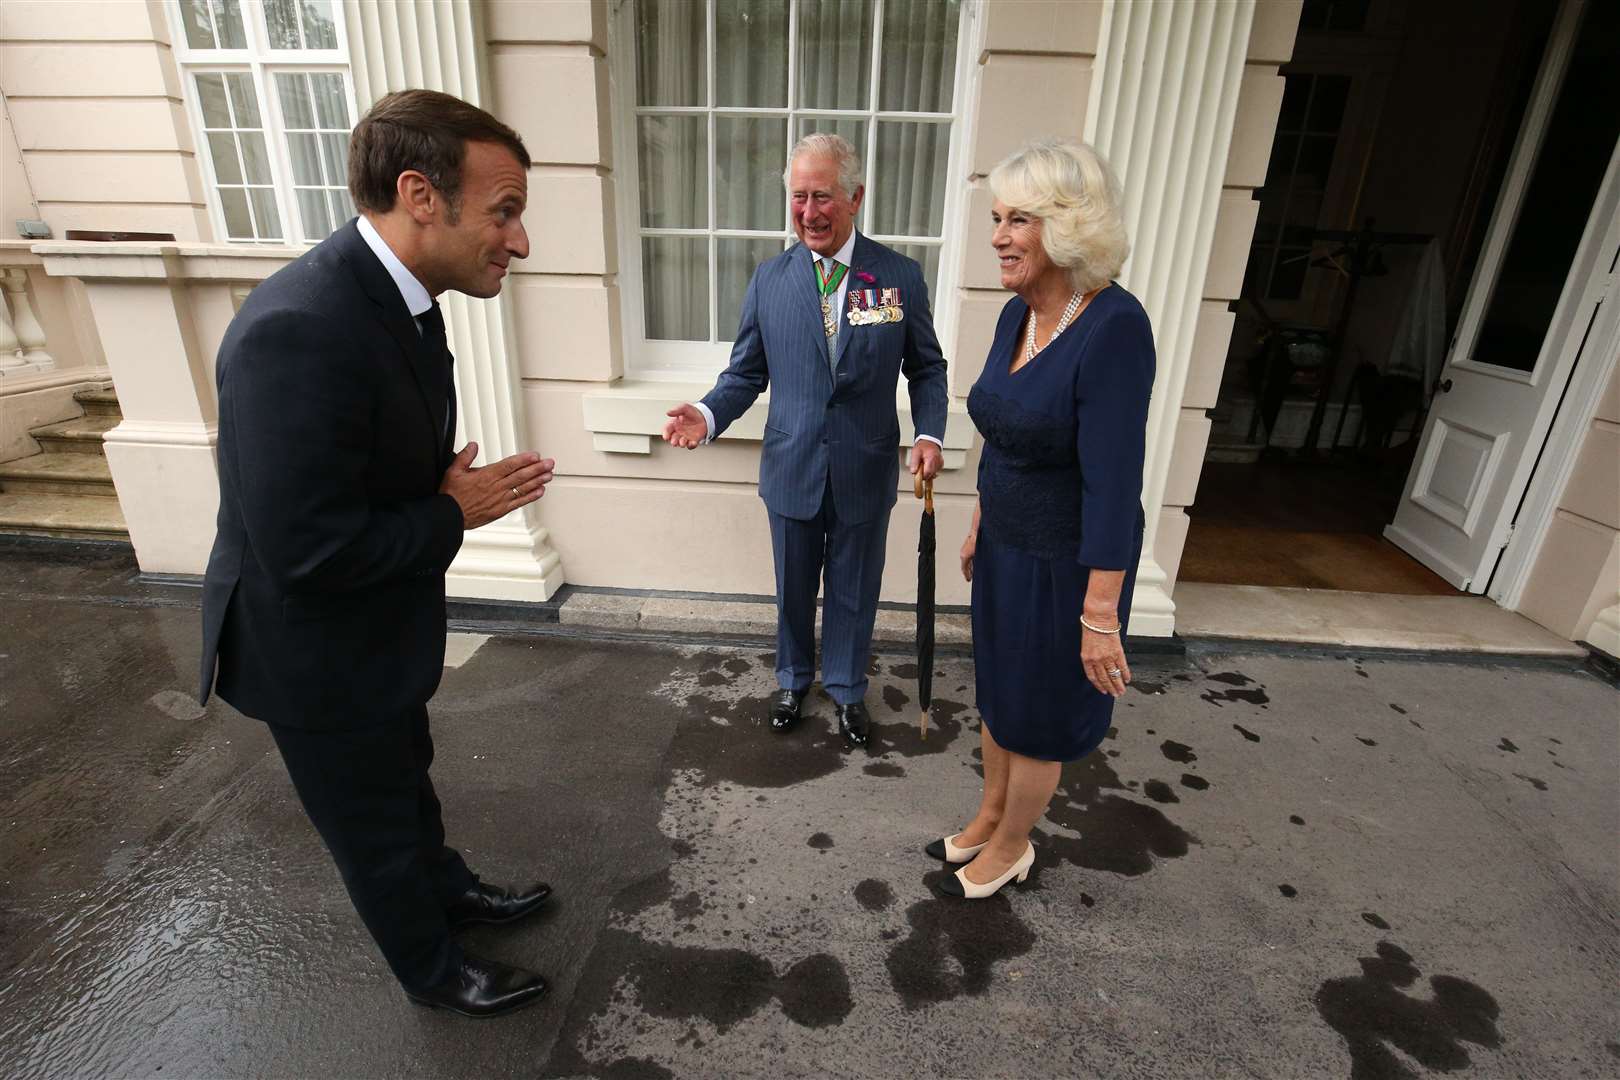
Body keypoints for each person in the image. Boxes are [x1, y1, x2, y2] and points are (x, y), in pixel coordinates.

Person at [198, 90, 557, 1016]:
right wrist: (454, 510)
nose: (517, 241)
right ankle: (434, 972)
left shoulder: (403, 299)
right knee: (371, 825)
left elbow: (358, 465)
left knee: (406, 779)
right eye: (504, 210)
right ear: (419, 195)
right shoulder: (298, 329)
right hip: (313, 649)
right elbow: (306, 551)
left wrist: (433, 485)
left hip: (375, 625)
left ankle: (450, 894)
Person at [662, 133, 948, 749]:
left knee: (854, 587)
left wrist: (928, 432)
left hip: (865, 465)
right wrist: (708, 416)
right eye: (798, 197)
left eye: (822, 196)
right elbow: (745, 372)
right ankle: (792, 680)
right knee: (793, 586)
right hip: (792, 464)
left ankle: (845, 689)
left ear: (855, 198)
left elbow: (926, 367)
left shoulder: (896, 277)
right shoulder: (770, 280)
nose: (809, 212)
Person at [930, 138, 1154, 898]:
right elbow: (1003, 435)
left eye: (1016, 219)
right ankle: (991, 814)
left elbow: (1115, 485)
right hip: (1007, 547)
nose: (997, 236)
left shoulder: (1114, 327)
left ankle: (1016, 844)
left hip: (1068, 564)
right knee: (1000, 693)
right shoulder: (1017, 315)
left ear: (1068, 227)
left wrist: (1100, 613)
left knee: (1041, 714)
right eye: (997, 217)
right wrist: (979, 521)